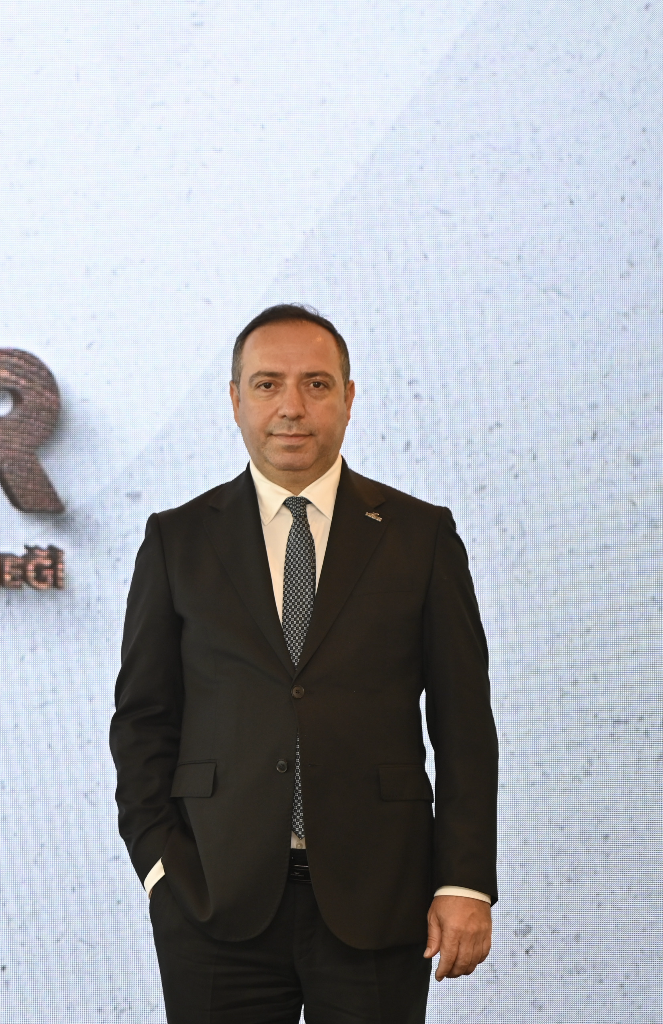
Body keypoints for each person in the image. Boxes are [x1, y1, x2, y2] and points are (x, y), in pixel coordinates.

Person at [110, 305, 497, 1023]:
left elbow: (464, 725)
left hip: (381, 896)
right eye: (267, 384)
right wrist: (161, 866)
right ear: (235, 400)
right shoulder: (177, 540)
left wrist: (465, 882)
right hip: (213, 902)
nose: (292, 406)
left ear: (348, 397)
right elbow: (143, 721)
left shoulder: (420, 535)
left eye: (316, 384)